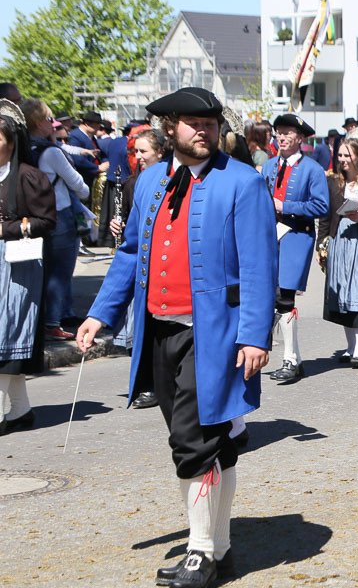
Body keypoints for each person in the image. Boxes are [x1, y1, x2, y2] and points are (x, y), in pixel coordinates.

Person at [77, 87, 277, 588]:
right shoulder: (148, 181)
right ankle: (223, 549)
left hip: (217, 334)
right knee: (211, 446)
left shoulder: (244, 182)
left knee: (194, 442)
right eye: (193, 123)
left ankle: (201, 552)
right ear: (170, 128)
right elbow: (128, 254)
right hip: (158, 330)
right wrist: (101, 314)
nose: (205, 130)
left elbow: (258, 264)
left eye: (210, 122)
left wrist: (255, 334)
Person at [0, 101, 56, 434]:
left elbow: (47, 220)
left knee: (6, 336)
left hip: (17, 266)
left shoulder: (28, 176)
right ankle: (20, 411)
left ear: (12, 140)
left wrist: (7, 229)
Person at [263, 113, 329, 384]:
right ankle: (291, 358)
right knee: (269, 296)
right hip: (268, 237)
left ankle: (290, 359)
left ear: (300, 139)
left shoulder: (312, 169)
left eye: (288, 133)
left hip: (296, 236)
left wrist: (285, 207)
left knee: (285, 297)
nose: (281, 137)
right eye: (279, 132)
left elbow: (321, 206)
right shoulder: (268, 166)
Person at [109, 129, 167, 409]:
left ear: (159, 151)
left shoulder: (169, 179)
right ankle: (147, 383)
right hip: (140, 264)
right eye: (136, 151)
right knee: (138, 327)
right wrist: (116, 226)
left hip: (161, 264)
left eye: (144, 151)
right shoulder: (133, 182)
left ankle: (157, 383)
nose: (139, 156)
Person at [23, 99, 89, 341]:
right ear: (40, 123)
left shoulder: (22, 147)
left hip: (30, 215)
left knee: (39, 270)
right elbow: (80, 187)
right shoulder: (51, 152)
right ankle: (53, 322)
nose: (54, 124)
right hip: (58, 214)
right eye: (50, 120)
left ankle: (40, 320)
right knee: (60, 272)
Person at [318, 136, 358, 368]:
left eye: (347, 155)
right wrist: (322, 242)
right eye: (340, 155)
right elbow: (325, 214)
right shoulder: (334, 182)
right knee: (343, 293)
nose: (342, 160)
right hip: (340, 241)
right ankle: (351, 346)